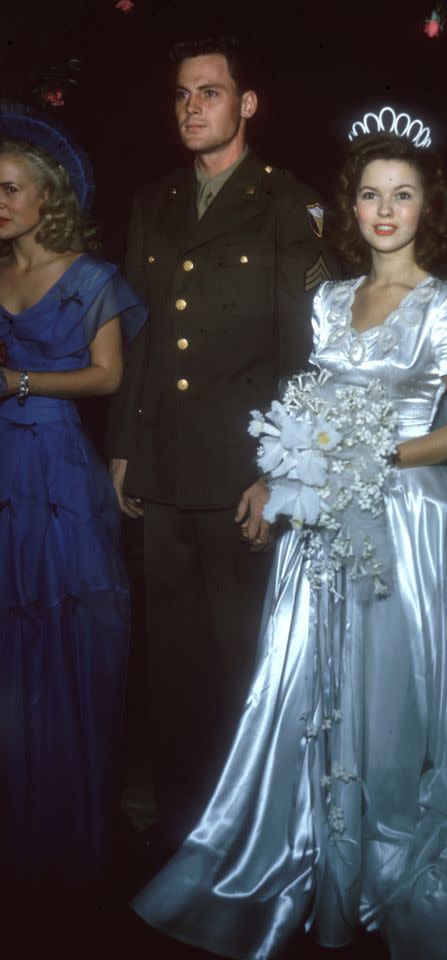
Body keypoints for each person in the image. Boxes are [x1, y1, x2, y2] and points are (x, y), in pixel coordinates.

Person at [131, 122, 447, 958]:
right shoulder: (328, 299)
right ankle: (315, 856)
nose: (384, 209)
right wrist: (277, 479)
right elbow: (313, 417)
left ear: (428, 205)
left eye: (403, 193)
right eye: (370, 194)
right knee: (310, 690)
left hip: (409, 525)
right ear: (350, 207)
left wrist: (374, 454)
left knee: (395, 703)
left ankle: (393, 862)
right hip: (325, 523)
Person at [106, 33, 337, 848]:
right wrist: (126, 445)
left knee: (241, 658)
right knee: (170, 666)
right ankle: (178, 829)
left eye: (209, 92)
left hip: (243, 473)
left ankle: (248, 835)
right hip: (162, 468)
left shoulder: (290, 205)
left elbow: (304, 356)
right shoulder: (153, 201)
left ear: (246, 104)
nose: (191, 107)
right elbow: (142, 335)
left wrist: (282, 472)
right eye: (180, 94)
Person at [0, 105, 147, 904]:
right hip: (3, 464)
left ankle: (69, 834)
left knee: (66, 639)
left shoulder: (91, 276)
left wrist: (20, 383)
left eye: (10, 188)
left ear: (46, 194)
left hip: (57, 465)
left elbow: (108, 377)